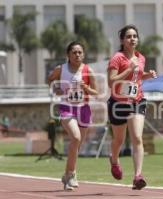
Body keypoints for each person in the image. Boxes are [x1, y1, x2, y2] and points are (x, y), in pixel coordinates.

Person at [107, 24, 157, 190]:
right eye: (128, 36)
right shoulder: (117, 58)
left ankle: (138, 176)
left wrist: (147, 75)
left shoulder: (141, 57)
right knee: (119, 139)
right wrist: (128, 68)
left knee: (137, 137)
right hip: (118, 103)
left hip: (137, 100)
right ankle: (114, 159)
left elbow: (137, 76)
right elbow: (111, 81)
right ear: (122, 40)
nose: (132, 39)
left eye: (134, 36)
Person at [48, 41, 98, 190]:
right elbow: (50, 79)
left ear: (83, 54)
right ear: (68, 55)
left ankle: (67, 175)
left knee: (76, 146)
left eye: (80, 52)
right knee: (75, 138)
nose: (77, 55)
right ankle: (71, 174)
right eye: (74, 52)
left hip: (83, 109)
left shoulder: (89, 70)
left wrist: (86, 88)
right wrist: (56, 87)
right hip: (66, 108)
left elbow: (96, 92)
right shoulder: (61, 69)